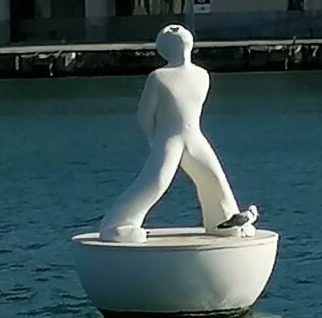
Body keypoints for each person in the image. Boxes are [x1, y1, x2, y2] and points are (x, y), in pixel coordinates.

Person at [95, 25, 251, 242]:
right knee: (156, 181)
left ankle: (224, 221)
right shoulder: (159, 77)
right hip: (168, 138)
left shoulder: (202, 75)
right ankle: (117, 224)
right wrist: (154, 139)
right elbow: (144, 115)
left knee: (214, 178)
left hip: (195, 137)